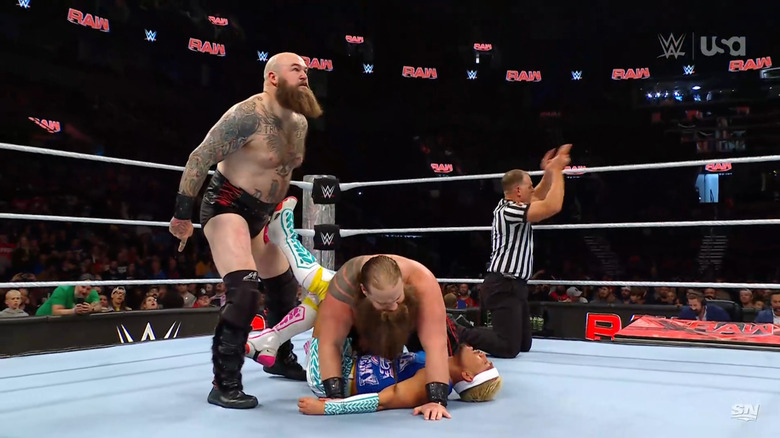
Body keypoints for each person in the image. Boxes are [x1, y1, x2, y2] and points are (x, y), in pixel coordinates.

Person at [168, 52, 324, 410]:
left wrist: (276, 207)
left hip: (263, 215)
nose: (305, 75)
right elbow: (199, 158)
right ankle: (224, 382)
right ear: (273, 78)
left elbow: (280, 170)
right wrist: (181, 216)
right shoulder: (246, 115)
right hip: (228, 206)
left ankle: (279, 356)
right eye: (296, 69)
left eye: (306, 70)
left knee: (284, 288)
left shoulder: (299, 123)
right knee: (245, 291)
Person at [246, 198, 462, 366]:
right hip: (363, 352)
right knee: (319, 298)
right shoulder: (435, 346)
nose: (479, 355)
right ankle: (272, 339)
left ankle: (286, 238)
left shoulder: (434, 346)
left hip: (353, 354)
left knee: (323, 286)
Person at [454, 144, 572, 358]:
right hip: (503, 285)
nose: (532, 190)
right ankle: (457, 331)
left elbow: (539, 195)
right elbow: (552, 206)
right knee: (508, 348)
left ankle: (473, 331)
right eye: (529, 187)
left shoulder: (516, 206)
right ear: (518, 191)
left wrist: (549, 172)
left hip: (515, 286)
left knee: (524, 344)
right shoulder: (509, 211)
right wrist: (557, 171)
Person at [297, 344, 501, 420]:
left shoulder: (435, 383)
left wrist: (330, 407)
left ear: (467, 376)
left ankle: (279, 345)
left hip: (329, 375)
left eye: (485, 363)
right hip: (347, 358)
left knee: (327, 299)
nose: (483, 354)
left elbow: (384, 400)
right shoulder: (436, 357)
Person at [35, 274, 102, 316]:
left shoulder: (92, 292)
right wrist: (74, 311)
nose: (84, 291)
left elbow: (99, 306)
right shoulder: (63, 290)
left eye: (88, 289)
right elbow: (56, 312)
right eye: (83, 287)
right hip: (44, 318)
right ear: (77, 284)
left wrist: (91, 309)